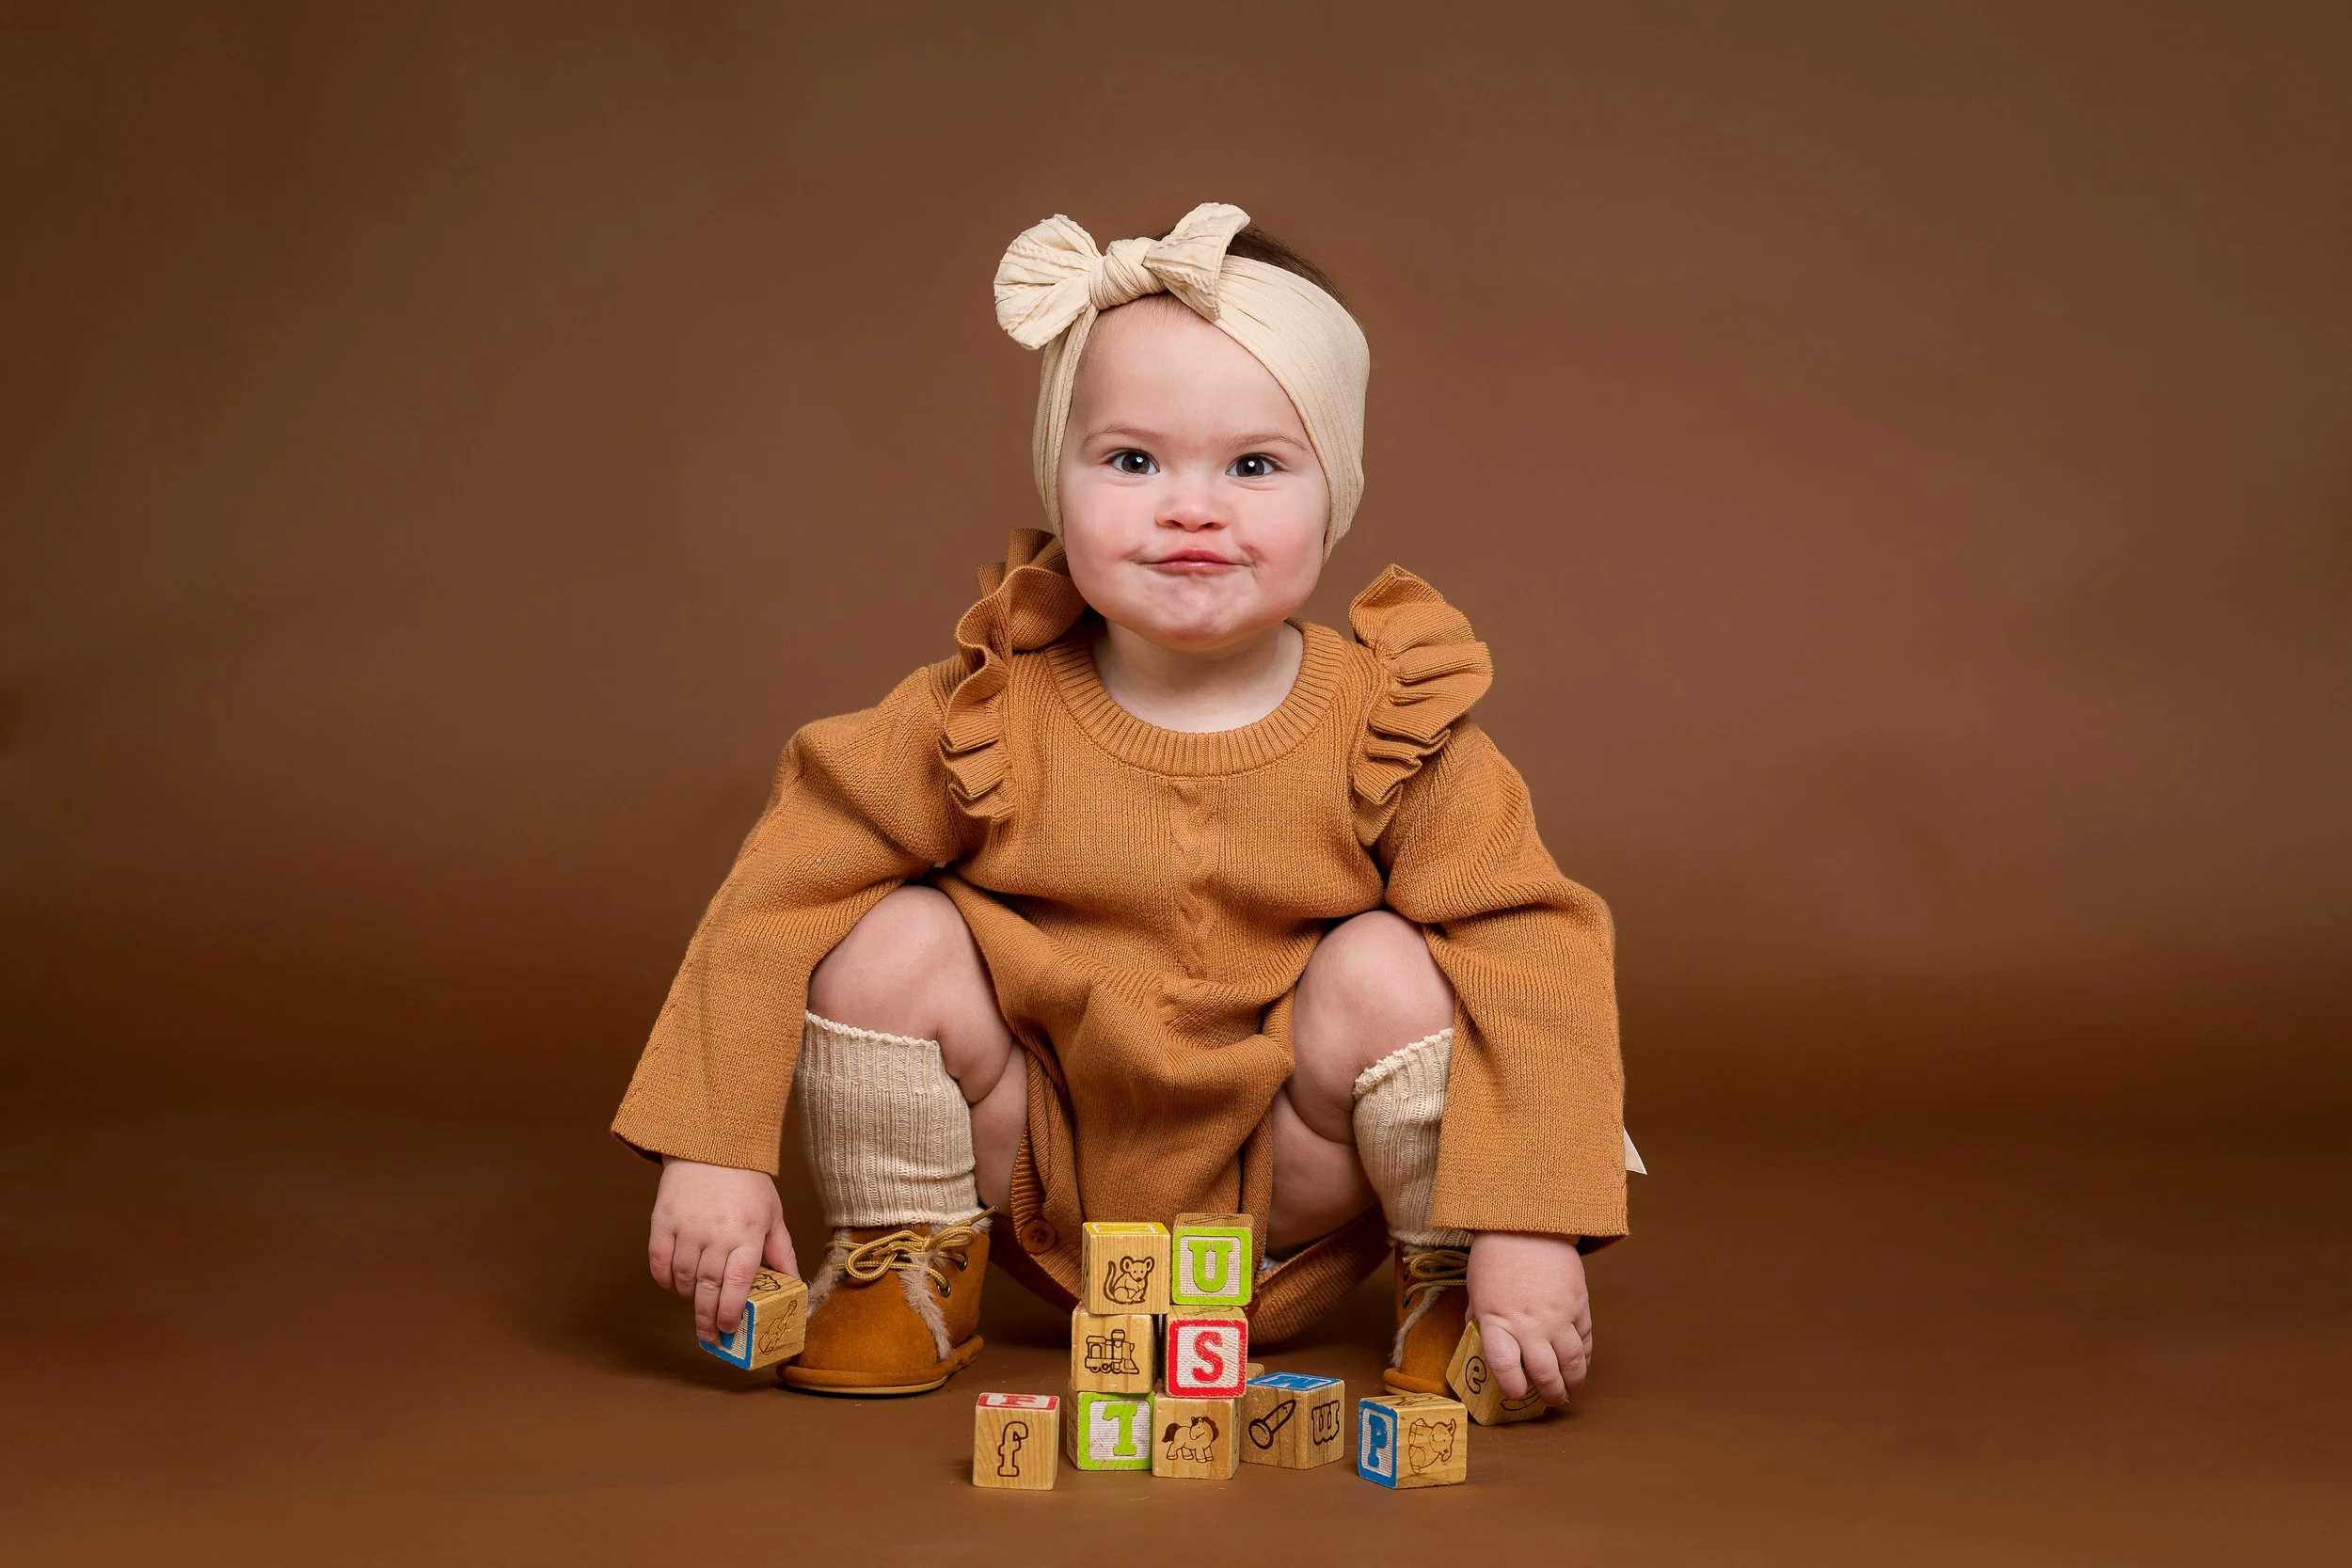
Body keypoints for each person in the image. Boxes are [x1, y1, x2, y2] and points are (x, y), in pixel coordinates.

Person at [613, 202, 1638, 1407]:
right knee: (886, 932)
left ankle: (1455, 1261)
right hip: (1041, 1159)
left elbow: (1537, 949)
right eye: (1132, 460)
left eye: (1254, 465)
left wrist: (1532, 1218)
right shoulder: (985, 705)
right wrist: (711, 1145)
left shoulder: (1389, 723)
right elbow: (780, 886)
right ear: (1061, 474)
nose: (1189, 507)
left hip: (1289, 1170)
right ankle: (907, 1256)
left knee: (1390, 961)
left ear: (1334, 491)